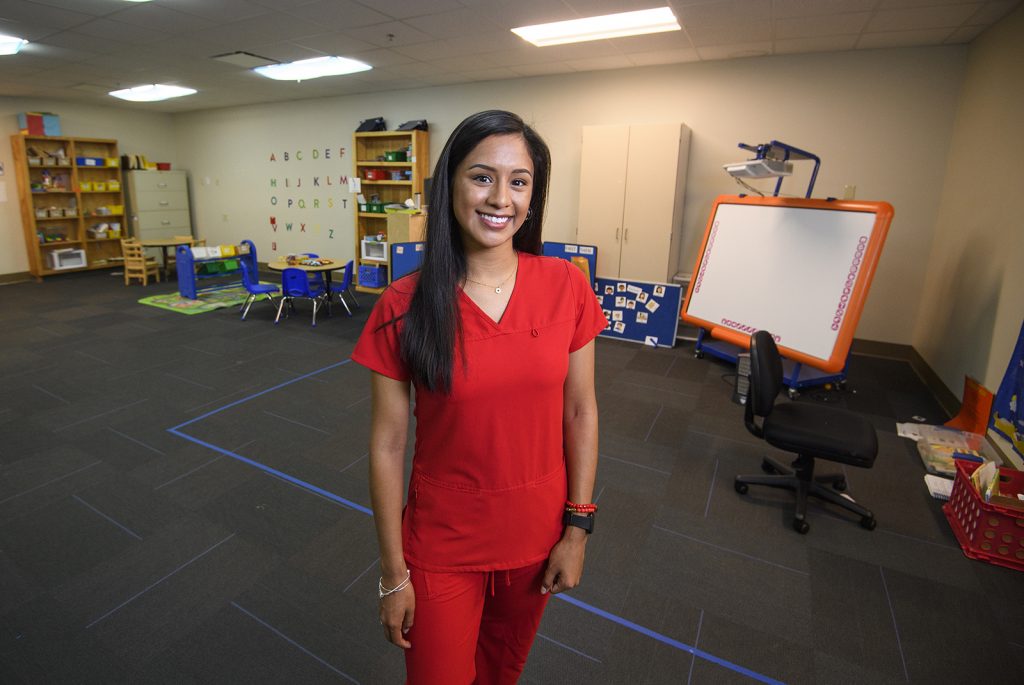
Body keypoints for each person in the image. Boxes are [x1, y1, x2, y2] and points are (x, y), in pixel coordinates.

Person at [352, 110, 607, 684]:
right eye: (481, 176)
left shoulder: (566, 284)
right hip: (443, 539)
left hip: (536, 534)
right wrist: (394, 572)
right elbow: (389, 444)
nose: (501, 198)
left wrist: (577, 529)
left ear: (533, 196)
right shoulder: (403, 303)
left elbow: (580, 410)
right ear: (450, 185)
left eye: (518, 182)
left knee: (500, 672)